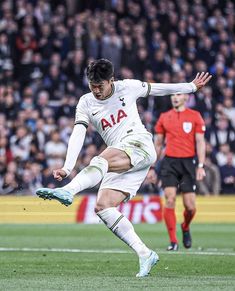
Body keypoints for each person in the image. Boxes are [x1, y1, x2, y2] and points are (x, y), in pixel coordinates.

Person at [36, 59, 211, 276]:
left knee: (101, 159)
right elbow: (78, 133)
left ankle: (68, 191)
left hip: (139, 144)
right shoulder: (85, 102)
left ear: (111, 80)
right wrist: (67, 166)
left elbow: (159, 89)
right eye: (92, 85)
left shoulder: (127, 87)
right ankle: (145, 253)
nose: (96, 90)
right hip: (124, 157)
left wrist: (191, 87)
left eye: (100, 85)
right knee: (103, 207)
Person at [154, 93, 207, 251]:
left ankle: (185, 226)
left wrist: (201, 165)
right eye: (173, 95)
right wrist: (151, 167)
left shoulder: (195, 116)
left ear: (186, 97)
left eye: (179, 94)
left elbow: (200, 142)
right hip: (169, 163)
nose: (175, 97)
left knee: (190, 206)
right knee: (169, 199)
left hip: (188, 163)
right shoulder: (164, 117)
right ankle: (173, 241)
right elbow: (158, 143)